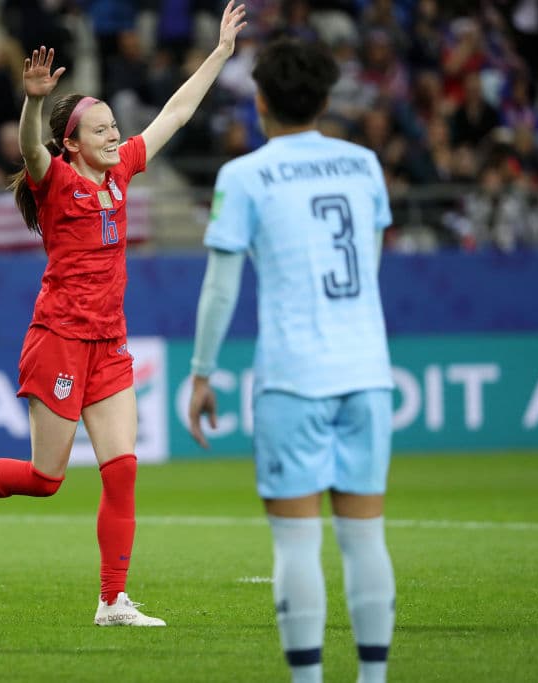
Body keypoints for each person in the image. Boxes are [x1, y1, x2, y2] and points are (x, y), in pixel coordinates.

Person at [0, 1, 249, 627]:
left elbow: (174, 113)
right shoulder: (56, 179)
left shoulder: (122, 175)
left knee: (122, 470)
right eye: (102, 130)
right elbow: (31, 147)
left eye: (115, 127)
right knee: (45, 477)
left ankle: (112, 600)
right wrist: (33, 100)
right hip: (59, 338)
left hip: (109, 346)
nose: (115, 135)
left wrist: (220, 55)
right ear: (73, 143)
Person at [187, 39, 396, 683]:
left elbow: (221, 287)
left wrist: (201, 372)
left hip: (293, 377)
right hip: (367, 371)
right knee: (365, 537)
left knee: (297, 542)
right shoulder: (364, 165)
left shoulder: (245, 175)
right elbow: (372, 256)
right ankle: (373, 678)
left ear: (259, 103)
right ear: (328, 101)